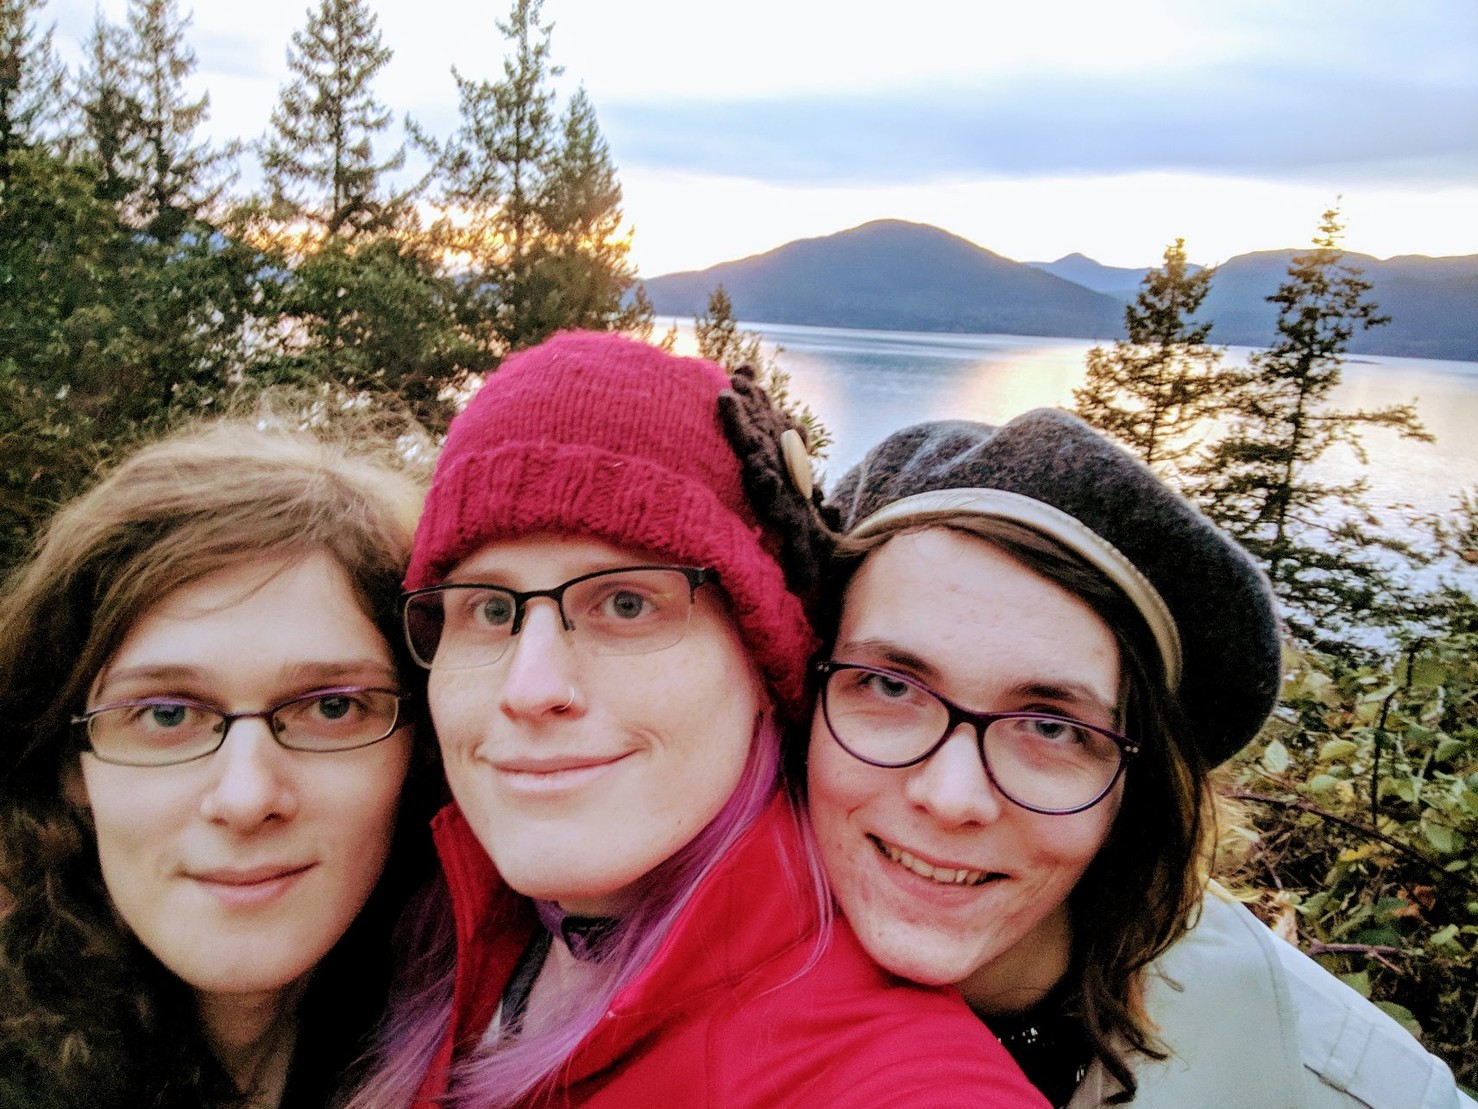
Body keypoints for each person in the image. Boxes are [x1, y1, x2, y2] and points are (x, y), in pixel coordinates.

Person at [346, 331, 1047, 1108]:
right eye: (487, 607)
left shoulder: (882, 1074)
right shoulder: (423, 923)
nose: (529, 686)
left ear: (763, 663)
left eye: (625, 602)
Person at [807, 412, 1475, 1108]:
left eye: (1052, 727)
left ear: (1136, 784)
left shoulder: (1324, 1081)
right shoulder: (691, 953)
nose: (951, 796)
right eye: (891, 685)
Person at [0, 422, 438, 1109]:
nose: (246, 796)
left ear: (419, 751)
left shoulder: (499, 1045)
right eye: (166, 714)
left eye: (331, 707)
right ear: (69, 764)